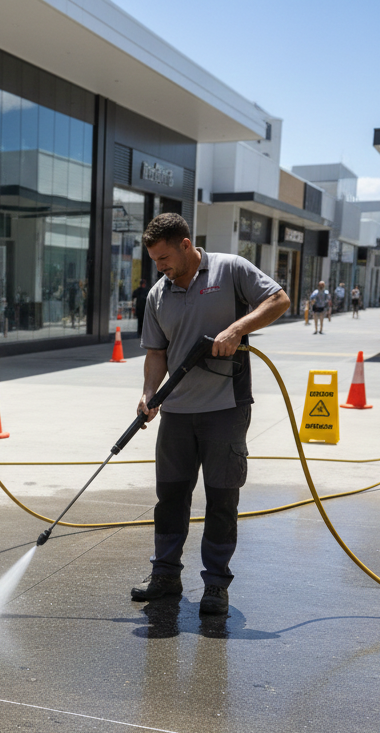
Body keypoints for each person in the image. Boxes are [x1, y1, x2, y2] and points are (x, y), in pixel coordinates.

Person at [130, 214, 289, 616]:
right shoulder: (158, 294)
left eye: (165, 257)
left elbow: (278, 300)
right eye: (154, 260)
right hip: (177, 413)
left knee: (221, 499)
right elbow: (156, 353)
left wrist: (237, 329)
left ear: (186, 245)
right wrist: (149, 394)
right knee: (170, 498)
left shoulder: (230, 269)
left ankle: (216, 585)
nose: (160, 266)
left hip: (225, 408)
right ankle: (165, 575)